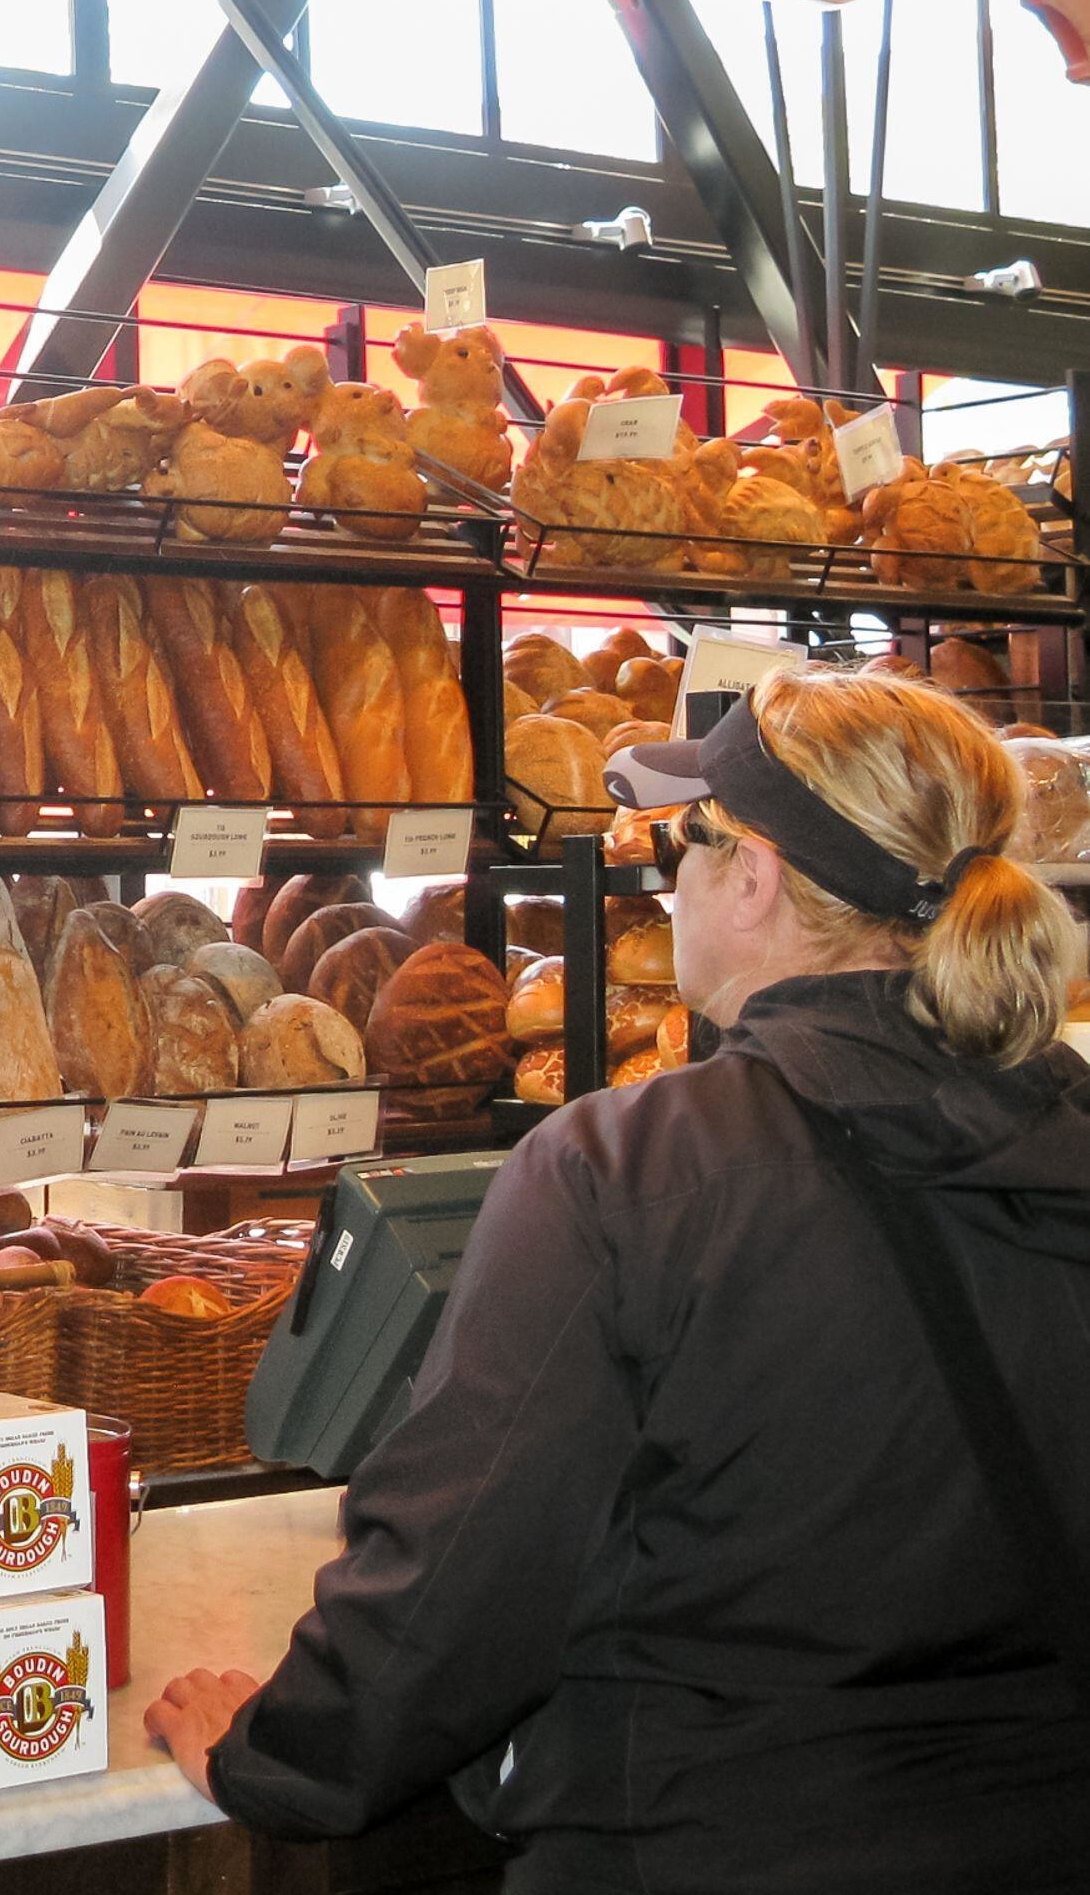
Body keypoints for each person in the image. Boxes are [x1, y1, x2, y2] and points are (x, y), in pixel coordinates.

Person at [145, 666, 1090, 1891]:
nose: (667, 878)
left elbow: (461, 1581)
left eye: (681, 845)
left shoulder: (625, 1171)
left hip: (703, 1840)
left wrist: (279, 1757)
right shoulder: (1060, 1136)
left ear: (750, 874)